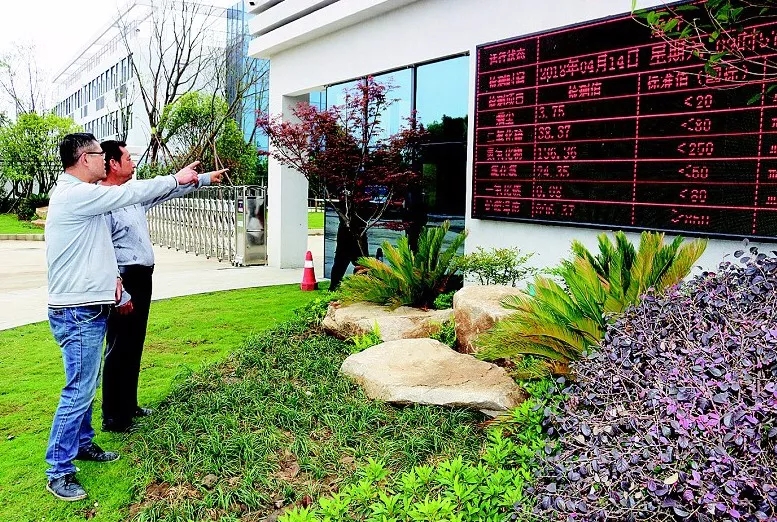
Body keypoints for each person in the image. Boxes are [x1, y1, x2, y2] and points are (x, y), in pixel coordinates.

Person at [44, 133, 200, 501]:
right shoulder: (76, 195)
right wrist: (174, 178)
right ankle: (58, 470)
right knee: (78, 390)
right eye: (100, 154)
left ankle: (83, 443)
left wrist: (113, 279)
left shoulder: (83, 196)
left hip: (88, 305)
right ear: (85, 159)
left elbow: (97, 249)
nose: (105, 159)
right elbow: (131, 193)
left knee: (86, 384)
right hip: (76, 311)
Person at [99, 140, 226, 433]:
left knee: (134, 343)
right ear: (113, 164)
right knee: (119, 347)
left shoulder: (131, 195)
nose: (133, 163)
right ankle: (113, 417)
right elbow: (102, 251)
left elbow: (166, 190)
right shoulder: (103, 203)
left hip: (142, 278)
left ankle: (128, 404)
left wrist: (204, 179)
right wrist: (120, 291)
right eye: (128, 158)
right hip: (123, 281)